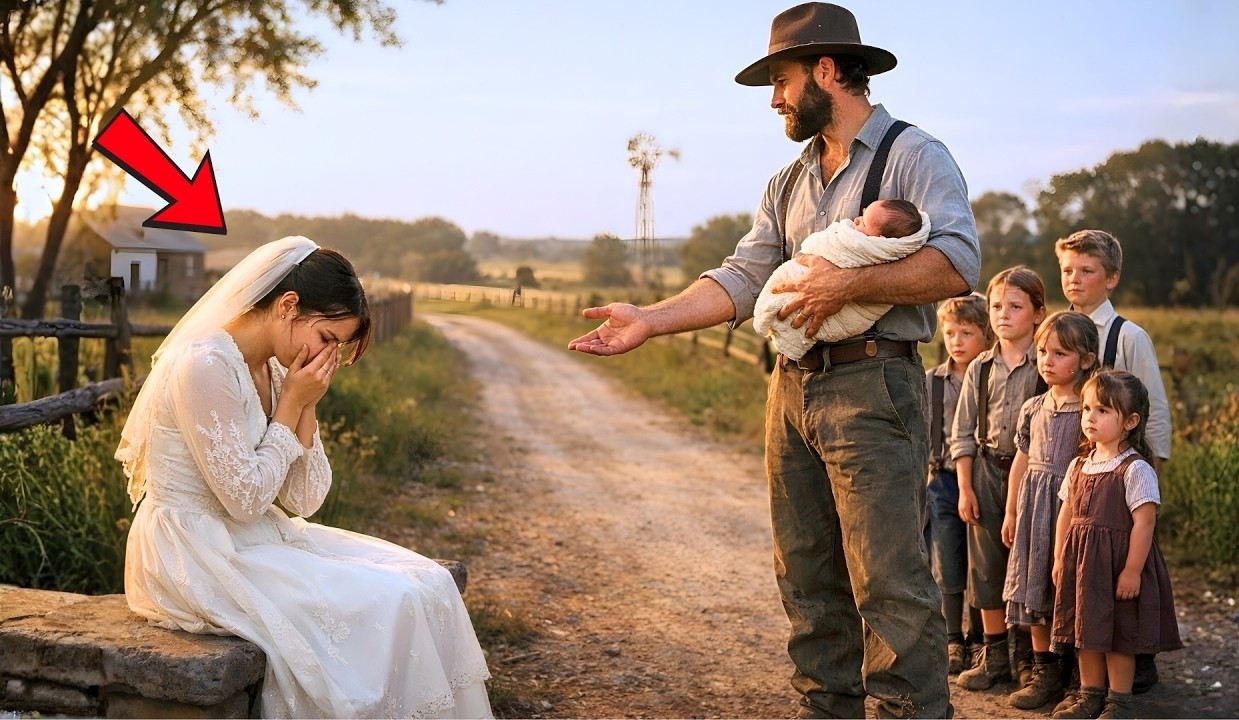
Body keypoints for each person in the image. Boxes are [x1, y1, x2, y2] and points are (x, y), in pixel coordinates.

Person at [569, 4, 980, 716]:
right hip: (790, 392)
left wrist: (846, 283)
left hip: (874, 385)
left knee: (889, 586)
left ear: (826, 71)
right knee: (808, 583)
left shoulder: (913, 154)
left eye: (782, 80)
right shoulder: (787, 181)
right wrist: (650, 321)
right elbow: (743, 276)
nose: (774, 99)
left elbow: (958, 262)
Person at [116, 237, 492, 719]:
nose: (327, 354)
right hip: (194, 551)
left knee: (428, 582)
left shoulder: (275, 368)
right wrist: (291, 405)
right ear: (289, 306)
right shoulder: (202, 365)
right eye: (328, 337)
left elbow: (306, 498)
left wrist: (305, 405)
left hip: (248, 538)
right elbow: (247, 500)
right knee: (391, 599)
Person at [1055, 228, 1171, 696]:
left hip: (1124, 474)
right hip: (1075, 469)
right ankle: (1078, 668)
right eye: (1068, 271)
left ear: (1111, 278)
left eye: (1087, 271)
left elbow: (1155, 409)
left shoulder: (1128, 335)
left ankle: (1136, 663)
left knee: (1128, 568)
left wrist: (1152, 472)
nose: (1075, 280)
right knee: (1080, 568)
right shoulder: (1061, 329)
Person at [1050, 370, 1182, 719]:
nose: (1090, 417)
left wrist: (1132, 571)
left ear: (1130, 421)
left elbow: (1145, 522)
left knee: (1119, 635)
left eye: (1103, 411)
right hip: (1082, 567)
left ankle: (1118, 701)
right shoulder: (1079, 465)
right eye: (1087, 409)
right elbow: (1065, 514)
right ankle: (1089, 694)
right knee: (1085, 631)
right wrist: (1059, 558)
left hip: (1118, 566)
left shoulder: (1135, 469)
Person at [951, 265, 1046, 692]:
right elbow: (963, 434)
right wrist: (965, 486)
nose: (1002, 315)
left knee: (1031, 565)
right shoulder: (980, 368)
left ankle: (1031, 661)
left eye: (1015, 306)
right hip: (988, 470)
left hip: (1037, 476)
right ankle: (993, 657)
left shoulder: (1046, 364)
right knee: (986, 567)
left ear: (1038, 313)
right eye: (995, 306)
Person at [1000, 311, 1097, 710]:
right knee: (1033, 586)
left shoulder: (1092, 410)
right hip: (1033, 510)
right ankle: (1045, 673)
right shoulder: (1033, 406)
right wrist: (1009, 512)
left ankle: (1079, 679)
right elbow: (1021, 462)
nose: (1047, 360)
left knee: (1069, 591)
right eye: (1042, 351)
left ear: (1086, 361)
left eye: (1060, 353)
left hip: (1071, 512)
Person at [754, 198, 930, 361]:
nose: (856, 221)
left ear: (880, 240)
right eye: (862, 214)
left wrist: (841, 285)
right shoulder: (787, 180)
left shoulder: (871, 248)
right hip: (792, 368)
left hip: (869, 363)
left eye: (864, 222)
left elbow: (948, 263)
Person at [924, 294, 993, 676]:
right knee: (946, 560)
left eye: (967, 332)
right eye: (950, 333)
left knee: (980, 564)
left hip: (985, 480)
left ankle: (982, 639)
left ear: (986, 335)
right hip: (942, 480)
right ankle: (953, 638)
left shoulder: (992, 377)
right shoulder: (932, 380)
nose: (956, 341)